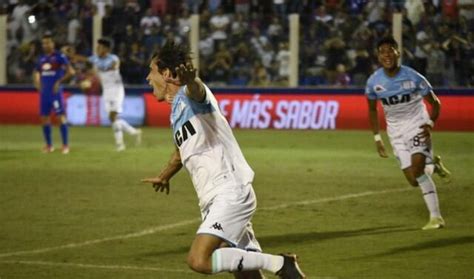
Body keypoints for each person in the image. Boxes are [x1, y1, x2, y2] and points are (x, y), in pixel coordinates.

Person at [141, 41, 306, 279]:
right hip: (212, 197)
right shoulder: (176, 111)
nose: (148, 78)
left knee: (199, 260)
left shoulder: (191, 96)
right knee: (244, 272)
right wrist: (165, 175)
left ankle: (282, 263)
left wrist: (190, 80)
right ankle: (278, 265)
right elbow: (181, 151)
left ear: (166, 73)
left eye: (152, 71)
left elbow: (197, 90)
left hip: (228, 190)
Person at [365, 36, 452, 230]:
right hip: (395, 132)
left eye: (390, 50)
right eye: (382, 52)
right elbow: (372, 109)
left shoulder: (413, 77)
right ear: (378, 56)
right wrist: (377, 138)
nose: (386, 55)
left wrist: (429, 123)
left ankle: (436, 217)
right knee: (414, 179)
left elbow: (435, 102)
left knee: (418, 170)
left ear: (398, 53)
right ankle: (433, 165)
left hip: (417, 126)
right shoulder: (374, 82)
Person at [69, 38, 141, 151]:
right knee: (112, 118)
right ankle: (134, 132)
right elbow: (81, 59)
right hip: (106, 91)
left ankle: (120, 145)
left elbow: (111, 66)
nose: (97, 49)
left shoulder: (113, 58)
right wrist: (71, 54)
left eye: (99, 47)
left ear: (106, 49)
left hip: (116, 89)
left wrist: (94, 65)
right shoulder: (95, 58)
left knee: (113, 115)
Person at [33, 34, 75, 154]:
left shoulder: (59, 56)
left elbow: (71, 71)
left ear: (53, 44)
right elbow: (37, 71)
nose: (45, 45)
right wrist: (37, 82)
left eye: (47, 43)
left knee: (60, 117)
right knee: (44, 118)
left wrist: (59, 82)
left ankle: (65, 145)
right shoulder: (41, 58)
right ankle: (49, 145)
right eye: (43, 43)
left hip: (55, 92)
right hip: (44, 93)